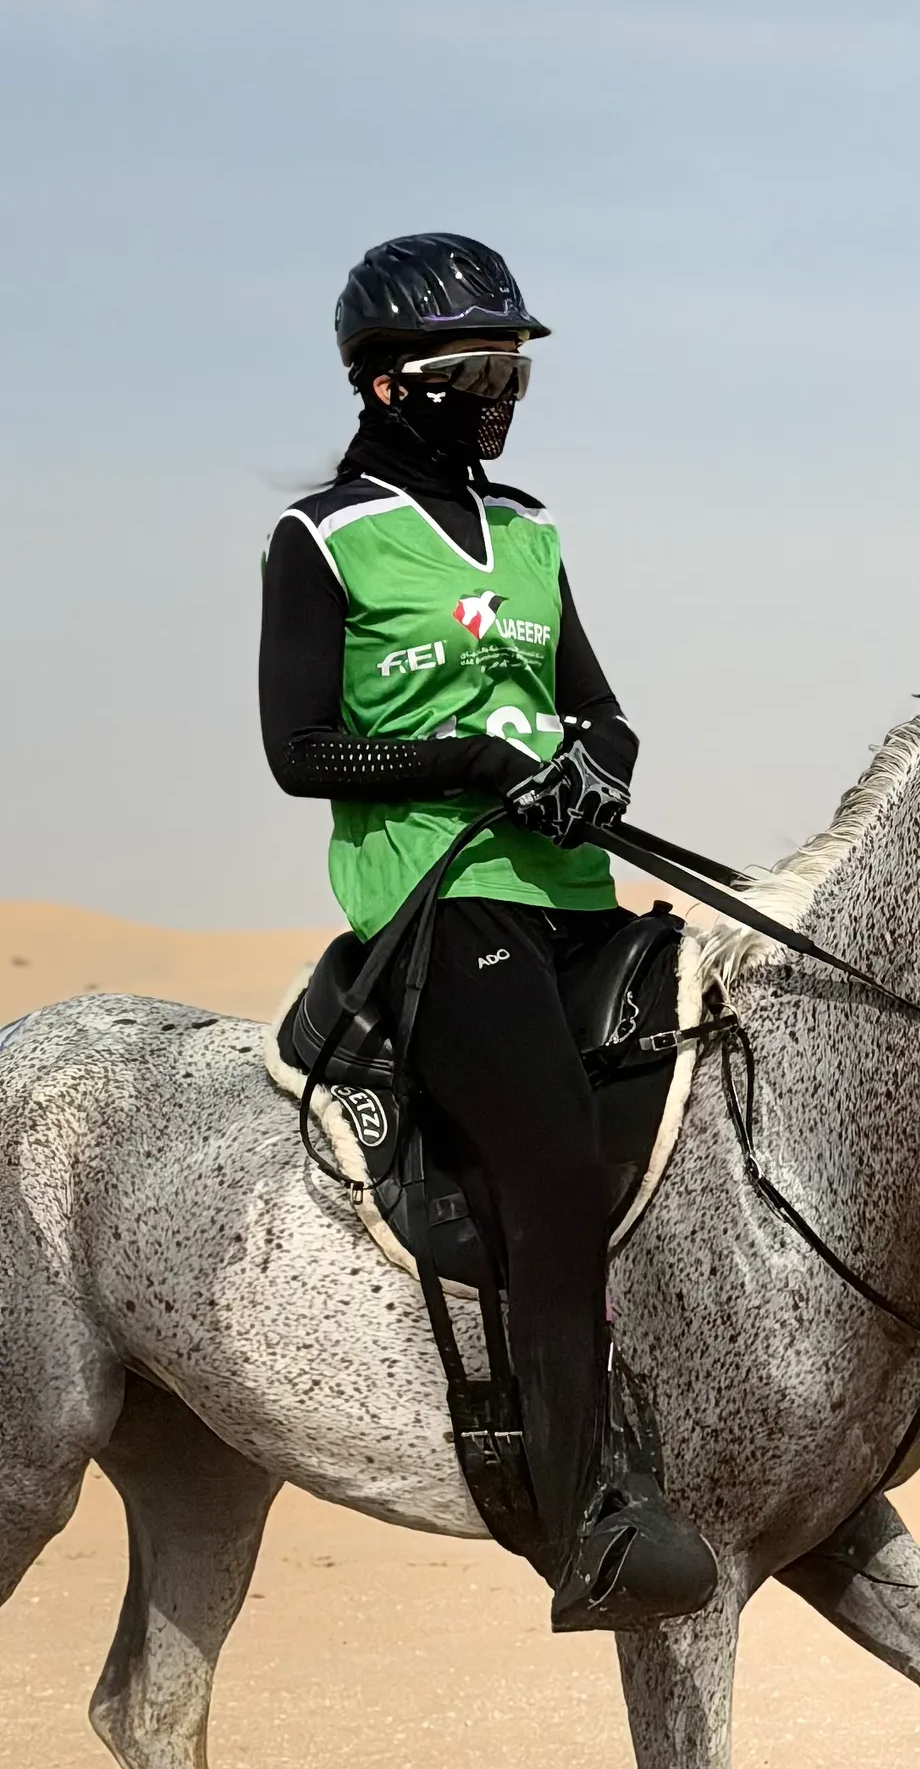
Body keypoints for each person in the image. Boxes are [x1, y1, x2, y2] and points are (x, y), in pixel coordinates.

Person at [258, 230, 716, 1631]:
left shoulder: (529, 533)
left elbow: (606, 708)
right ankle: (581, 1520)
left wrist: (598, 773)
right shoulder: (321, 538)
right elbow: (300, 750)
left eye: (514, 363)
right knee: (557, 1177)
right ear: (394, 385)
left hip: (572, 893)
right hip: (436, 901)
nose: (504, 389)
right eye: (477, 367)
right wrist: (464, 760)